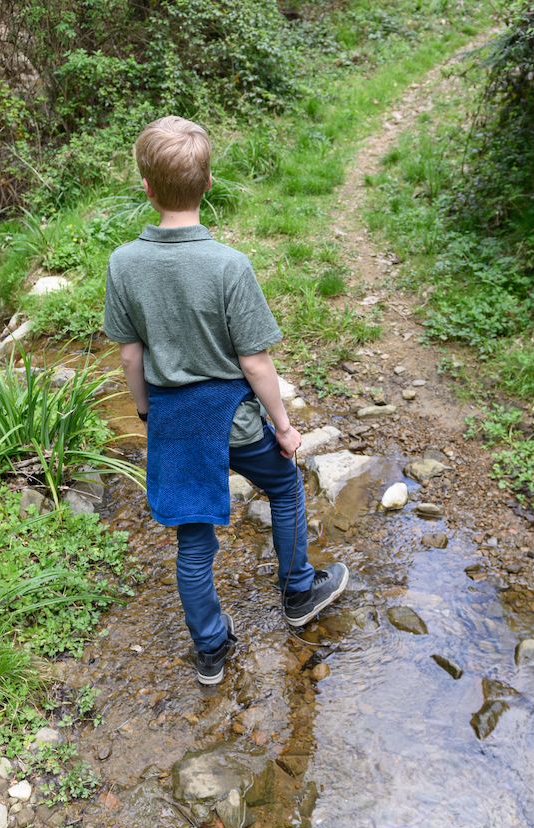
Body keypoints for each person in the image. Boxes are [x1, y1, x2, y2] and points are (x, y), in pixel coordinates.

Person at [103, 116, 348, 685]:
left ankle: (211, 648)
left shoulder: (124, 263)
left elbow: (130, 357)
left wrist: (146, 412)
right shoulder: (229, 265)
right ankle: (297, 592)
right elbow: (255, 362)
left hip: (177, 421)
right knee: (285, 485)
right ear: (208, 182)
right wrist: (284, 427)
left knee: (194, 534)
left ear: (146, 187)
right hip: (235, 419)